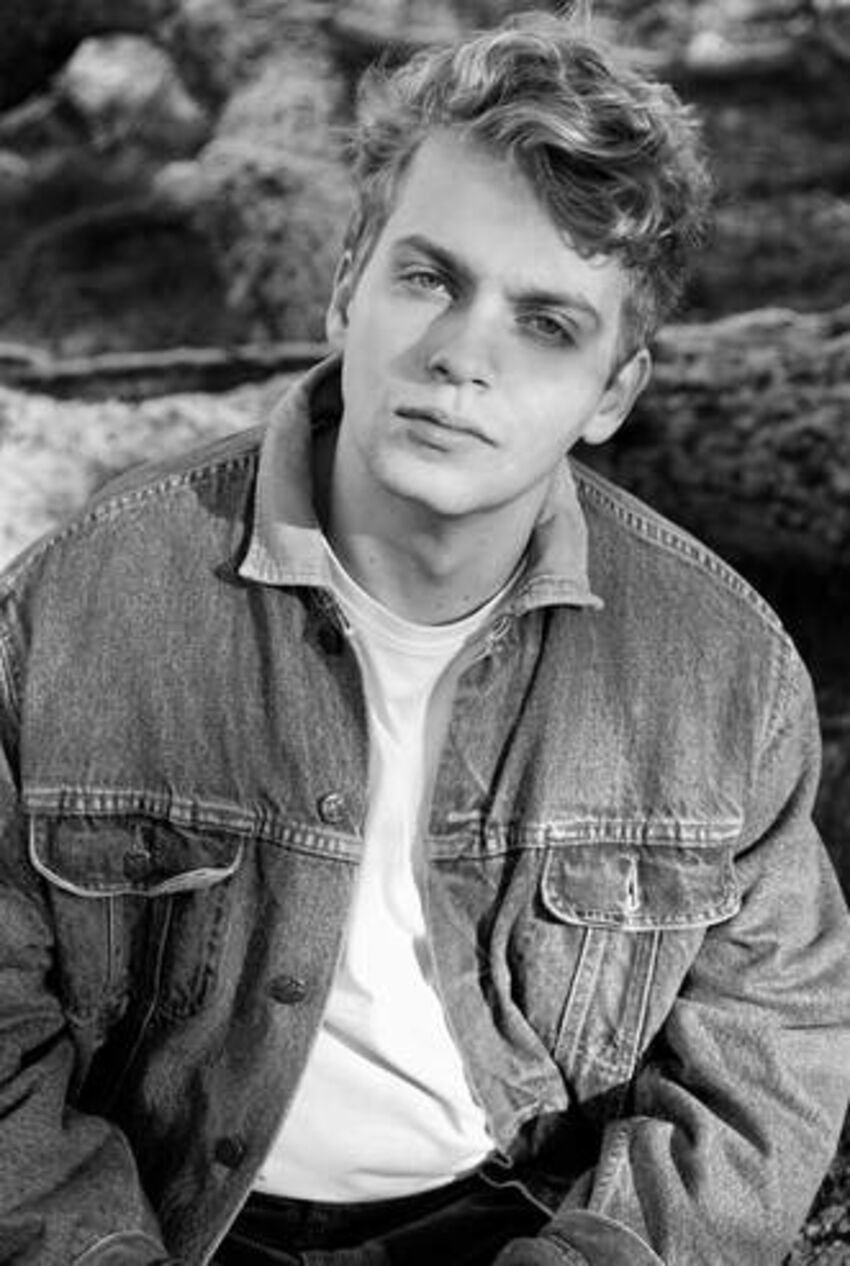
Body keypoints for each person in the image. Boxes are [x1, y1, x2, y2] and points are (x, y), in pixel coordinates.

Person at [0, 7, 848, 1265]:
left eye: (547, 323)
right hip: (167, 1218)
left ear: (613, 390)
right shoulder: (81, 607)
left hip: (528, 1215)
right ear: (349, 282)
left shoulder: (722, 668)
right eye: (429, 278)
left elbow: (770, 1046)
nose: (462, 355)